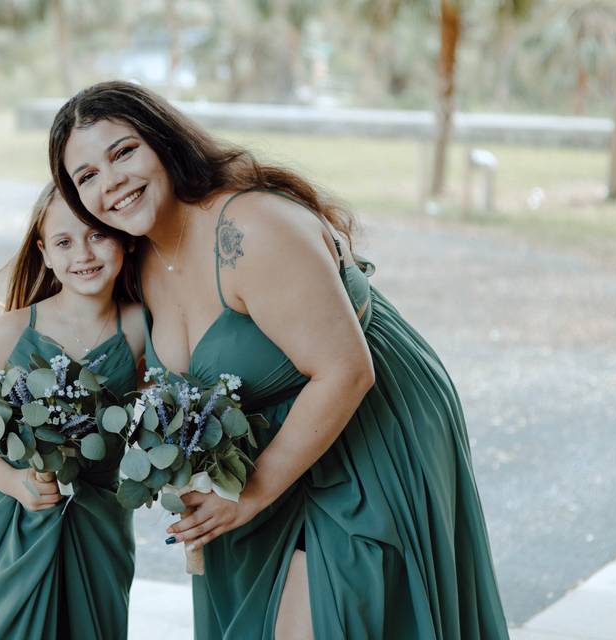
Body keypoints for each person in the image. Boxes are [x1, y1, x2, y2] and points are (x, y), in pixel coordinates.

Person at [49, 81, 509, 639]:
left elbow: (346, 369)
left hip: (365, 421)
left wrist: (250, 493)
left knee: (334, 616)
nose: (112, 182)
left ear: (164, 143)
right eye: (87, 176)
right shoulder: (138, 257)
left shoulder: (249, 229)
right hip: (270, 441)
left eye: (123, 152)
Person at [0, 183, 145, 640]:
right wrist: (15, 482)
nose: (83, 253)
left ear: (124, 237)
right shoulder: (13, 331)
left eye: (98, 235)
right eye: (64, 241)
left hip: (100, 522)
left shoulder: (140, 325)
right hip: (20, 519)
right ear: (45, 253)